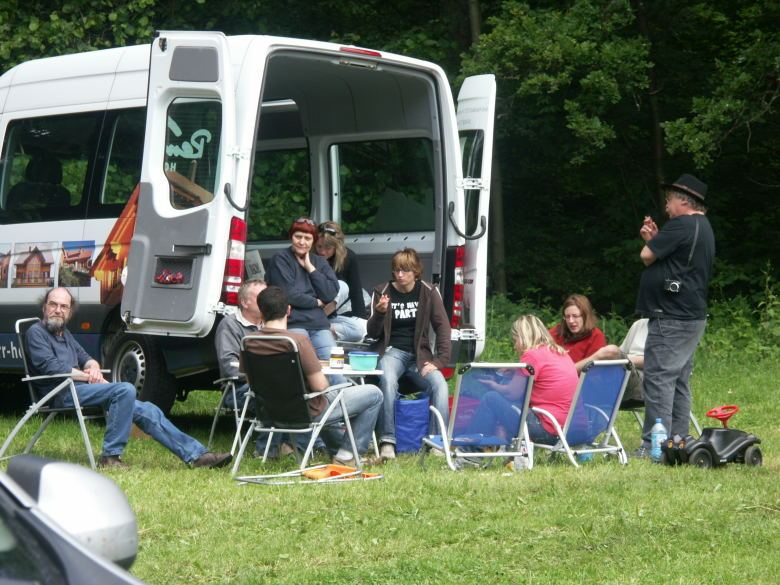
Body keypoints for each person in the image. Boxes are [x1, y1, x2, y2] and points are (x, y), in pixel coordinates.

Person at [26, 287, 232, 469]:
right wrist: (89, 377)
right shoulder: (36, 333)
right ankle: (110, 456)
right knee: (124, 390)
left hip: (78, 389)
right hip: (59, 393)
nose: (58, 310)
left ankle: (197, 455)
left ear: (70, 311)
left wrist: (94, 368)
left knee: (148, 410)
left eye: (64, 306)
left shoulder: (65, 334)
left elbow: (87, 359)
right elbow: (51, 367)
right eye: (53, 304)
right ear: (44, 307)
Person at [244, 286, 382, 466]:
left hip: (269, 413)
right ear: (288, 310)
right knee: (373, 393)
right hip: (304, 412)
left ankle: (338, 451)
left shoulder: (249, 342)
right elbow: (320, 386)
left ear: (261, 312)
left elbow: (252, 383)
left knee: (322, 400)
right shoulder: (297, 341)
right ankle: (347, 456)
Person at [634, 173, 715, 457]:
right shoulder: (703, 227)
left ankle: (653, 446)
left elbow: (646, 256)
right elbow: (677, 261)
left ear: (683, 201)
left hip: (671, 315)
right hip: (691, 315)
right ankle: (678, 443)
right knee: (678, 379)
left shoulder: (681, 224)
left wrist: (651, 241)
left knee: (658, 377)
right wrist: (659, 239)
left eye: (669, 201)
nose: (666, 207)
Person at [367, 247, 451, 460]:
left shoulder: (429, 291)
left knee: (439, 385)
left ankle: (437, 442)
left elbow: (443, 327)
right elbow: (372, 333)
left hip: (419, 356)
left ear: (416, 271)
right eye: (396, 270)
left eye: (405, 270)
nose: (399, 274)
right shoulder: (382, 291)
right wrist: (380, 313)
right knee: (387, 380)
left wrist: (440, 360)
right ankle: (387, 441)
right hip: (392, 352)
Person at [467, 315, 579, 445]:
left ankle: (471, 446)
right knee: (504, 401)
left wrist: (493, 385)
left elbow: (512, 393)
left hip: (546, 427)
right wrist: (514, 373)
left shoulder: (532, 354)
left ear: (523, 337)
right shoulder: (559, 352)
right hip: (568, 428)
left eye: (515, 340)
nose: (515, 346)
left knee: (490, 398)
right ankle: (494, 442)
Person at [266, 217, 340, 363]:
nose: (302, 242)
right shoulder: (280, 259)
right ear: (291, 237)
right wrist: (317, 302)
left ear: (314, 241)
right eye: (298, 236)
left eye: (307, 238)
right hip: (293, 322)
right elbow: (288, 294)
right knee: (305, 365)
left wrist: (311, 269)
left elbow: (330, 293)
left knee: (335, 365)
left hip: (319, 324)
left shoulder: (319, 261)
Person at [214, 278, 267, 413]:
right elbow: (229, 367)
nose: (267, 301)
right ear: (244, 302)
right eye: (261, 297)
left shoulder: (271, 324)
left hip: (269, 385)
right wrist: (266, 375)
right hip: (238, 389)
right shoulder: (230, 325)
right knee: (278, 393)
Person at [315, 221, 368, 342]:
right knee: (341, 285)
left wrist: (362, 320)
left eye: (328, 248)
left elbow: (356, 291)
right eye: (319, 247)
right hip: (313, 307)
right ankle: (316, 325)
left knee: (359, 330)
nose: (322, 252)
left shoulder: (349, 257)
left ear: (337, 246)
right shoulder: (310, 257)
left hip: (333, 313)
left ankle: (321, 329)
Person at [591, 318, 648, 407]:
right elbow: (622, 352)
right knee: (588, 379)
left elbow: (659, 361)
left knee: (611, 352)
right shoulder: (640, 323)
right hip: (624, 371)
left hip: (646, 380)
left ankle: (574, 369)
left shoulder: (669, 327)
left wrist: (627, 360)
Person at [549, 293, 606, 372]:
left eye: (575, 316)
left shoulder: (596, 336)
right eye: (567, 317)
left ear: (585, 316)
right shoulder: (557, 331)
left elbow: (593, 371)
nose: (571, 321)